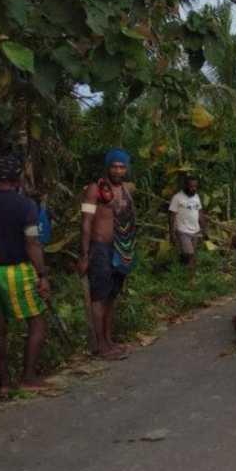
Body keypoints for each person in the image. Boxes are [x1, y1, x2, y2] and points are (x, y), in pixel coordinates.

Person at [0, 153, 52, 393]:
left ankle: (4, 384)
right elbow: (32, 243)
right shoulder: (25, 205)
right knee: (37, 322)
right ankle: (28, 377)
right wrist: (42, 274)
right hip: (17, 270)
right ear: (16, 178)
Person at [78, 149, 137, 360]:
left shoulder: (127, 190)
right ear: (107, 167)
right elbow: (86, 222)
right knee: (99, 296)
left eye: (122, 167)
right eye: (114, 166)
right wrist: (84, 255)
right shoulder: (95, 189)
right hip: (100, 248)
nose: (118, 170)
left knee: (112, 295)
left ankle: (109, 340)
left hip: (121, 248)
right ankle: (101, 345)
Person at [169, 175, 207, 271]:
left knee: (190, 254)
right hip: (183, 231)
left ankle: (183, 271)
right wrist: (172, 233)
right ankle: (191, 276)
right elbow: (172, 216)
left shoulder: (196, 197)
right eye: (191, 186)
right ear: (185, 186)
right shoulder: (177, 198)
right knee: (190, 254)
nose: (194, 189)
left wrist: (204, 228)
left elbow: (200, 213)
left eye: (195, 186)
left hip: (195, 231)